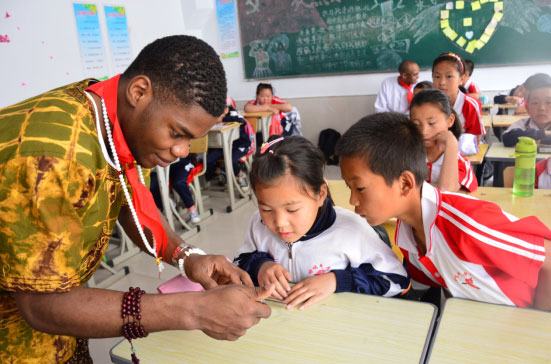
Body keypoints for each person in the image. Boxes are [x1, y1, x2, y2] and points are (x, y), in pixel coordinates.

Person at [0, 35, 275, 364]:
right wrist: (193, 310)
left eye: (191, 140)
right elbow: (43, 305)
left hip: (62, 333)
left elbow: (130, 204)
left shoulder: (113, 113)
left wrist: (187, 257)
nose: (181, 152)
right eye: (177, 133)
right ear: (139, 92)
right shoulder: (51, 158)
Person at [335, 112, 551, 310]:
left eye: (360, 188)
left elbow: (548, 261)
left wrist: (537, 327)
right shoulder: (407, 233)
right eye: (349, 188)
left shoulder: (465, 224)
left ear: (404, 184)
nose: (353, 199)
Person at [234, 136, 410, 310]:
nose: (280, 223)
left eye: (292, 210)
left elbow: (396, 280)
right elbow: (239, 263)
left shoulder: (351, 230)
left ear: (320, 195)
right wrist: (260, 266)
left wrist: (337, 280)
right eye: (267, 210)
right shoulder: (257, 223)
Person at [410, 89, 478, 192]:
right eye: (416, 124)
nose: (423, 132)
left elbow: (446, 190)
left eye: (432, 123)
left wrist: (451, 143)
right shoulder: (406, 156)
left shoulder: (460, 162)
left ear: (450, 120)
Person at [432, 53, 485, 139]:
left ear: (461, 79)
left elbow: (476, 139)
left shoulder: (470, 105)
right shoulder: (428, 104)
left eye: (449, 76)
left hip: (463, 151)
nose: (442, 82)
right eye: (437, 76)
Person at [206, 98, 253, 188]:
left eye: (221, 109)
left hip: (239, 145)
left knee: (231, 160)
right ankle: (222, 172)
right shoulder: (212, 117)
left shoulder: (234, 115)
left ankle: (240, 174)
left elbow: (241, 121)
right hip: (221, 146)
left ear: (227, 109)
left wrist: (222, 119)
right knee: (207, 161)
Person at [502, 73, 551, 147]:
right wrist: (544, 134)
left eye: (548, 102)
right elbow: (507, 138)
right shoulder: (522, 124)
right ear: (527, 107)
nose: (542, 108)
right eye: (535, 103)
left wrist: (535, 140)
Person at [150, 156, 202, 224]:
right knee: (151, 185)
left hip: (180, 164)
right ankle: (164, 205)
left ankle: (191, 209)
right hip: (161, 167)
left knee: (179, 183)